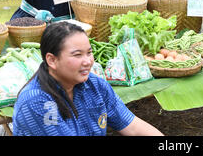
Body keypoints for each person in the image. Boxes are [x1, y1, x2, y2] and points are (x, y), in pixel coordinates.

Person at [12, 21, 164, 136]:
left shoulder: (95, 85)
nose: (88, 61)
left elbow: (133, 126)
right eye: (77, 55)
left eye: (89, 53)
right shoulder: (37, 101)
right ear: (52, 60)